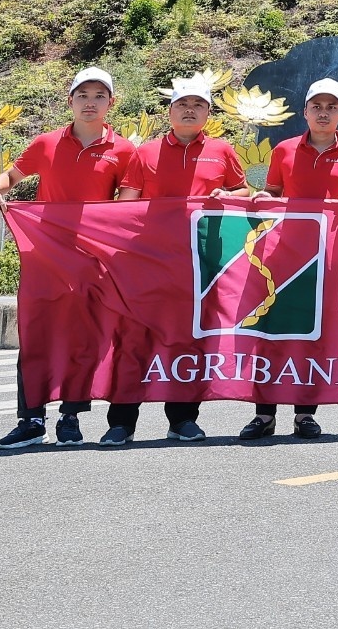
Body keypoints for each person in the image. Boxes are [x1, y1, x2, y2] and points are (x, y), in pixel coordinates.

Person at [0, 67, 136, 450]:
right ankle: (32, 419)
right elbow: (11, 177)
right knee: (36, 335)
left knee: (82, 338)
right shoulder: (46, 143)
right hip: (45, 257)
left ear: (111, 104)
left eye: (99, 96)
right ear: (69, 101)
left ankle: (71, 418)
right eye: (82, 95)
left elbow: (127, 208)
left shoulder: (123, 150)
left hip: (91, 259)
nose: (90, 102)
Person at [106, 73, 251, 444]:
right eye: (183, 104)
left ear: (208, 112)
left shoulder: (223, 151)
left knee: (189, 342)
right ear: (170, 110)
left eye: (198, 105)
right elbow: (126, 203)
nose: (190, 110)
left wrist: (229, 195)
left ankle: (183, 418)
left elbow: (245, 192)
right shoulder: (145, 153)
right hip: (149, 262)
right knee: (135, 340)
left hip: (202, 265)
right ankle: (122, 422)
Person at [239, 76, 338, 441]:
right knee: (271, 332)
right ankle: (264, 413)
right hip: (284, 256)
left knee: (314, 336)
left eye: (332, 107)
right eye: (317, 107)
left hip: (328, 258)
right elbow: (273, 192)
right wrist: (262, 196)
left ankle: (305, 415)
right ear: (305, 111)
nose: (324, 113)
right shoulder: (283, 150)